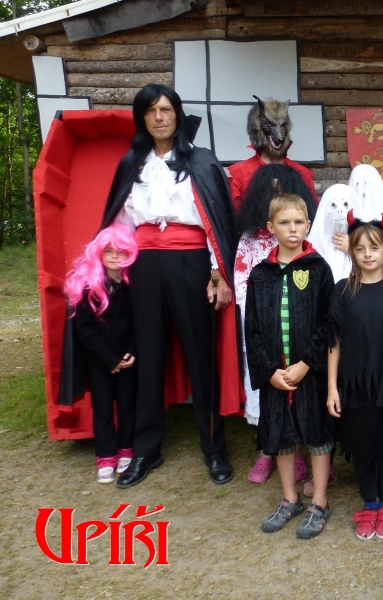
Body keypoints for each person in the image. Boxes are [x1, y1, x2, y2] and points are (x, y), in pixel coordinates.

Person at [99, 84, 238, 488]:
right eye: (151, 111)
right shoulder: (131, 163)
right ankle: (146, 449)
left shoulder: (201, 160)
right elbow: (120, 224)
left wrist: (217, 272)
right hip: (144, 266)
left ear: (177, 114)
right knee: (148, 356)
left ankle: (213, 448)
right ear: (142, 118)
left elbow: (216, 221)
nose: (159, 117)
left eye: (166, 109)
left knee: (201, 355)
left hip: (191, 262)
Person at [244, 194, 335, 539]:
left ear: (308, 225)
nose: (292, 228)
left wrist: (307, 363)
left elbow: (327, 322)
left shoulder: (318, 269)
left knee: (317, 432)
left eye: (298, 222)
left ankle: (320, 501)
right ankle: (290, 498)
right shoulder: (260, 275)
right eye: (284, 222)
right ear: (271, 227)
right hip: (276, 374)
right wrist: (269, 371)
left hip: (308, 372)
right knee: (280, 432)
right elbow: (252, 327)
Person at [327, 212, 383, 540]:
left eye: (374, 247)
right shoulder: (342, 291)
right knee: (361, 445)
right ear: (351, 251)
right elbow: (334, 343)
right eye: (360, 248)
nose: (367, 254)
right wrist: (332, 388)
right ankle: (369, 504)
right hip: (353, 385)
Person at [234, 164, 317, 485]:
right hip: (265, 329)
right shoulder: (250, 237)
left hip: (298, 333)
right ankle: (268, 451)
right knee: (272, 396)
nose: (275, 196)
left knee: (301, 396)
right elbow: (243, 283)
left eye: (282, 190)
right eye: (270, 191)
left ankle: (301, 452)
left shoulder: (300, 235)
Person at [62, 225, 139, 483]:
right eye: (108, 251)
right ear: (99, 253)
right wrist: (109, 360)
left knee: (128, 405)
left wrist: (132, 352)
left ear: (130, 253)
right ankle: (106, 455)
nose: (115, 256)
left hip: (127, 360)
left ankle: (126, 448)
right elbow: (84, 330)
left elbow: (140, 324)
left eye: (121, 251)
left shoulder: (133, 286)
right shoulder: (89, 288)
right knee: (103, 407)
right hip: (99, 362)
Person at [228, 96, 318, 211]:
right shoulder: (238, 173)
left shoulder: (302, 173)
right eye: (272, 124)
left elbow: (312, 213)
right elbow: (232, 214)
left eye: (282, 125)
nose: (280, 135)